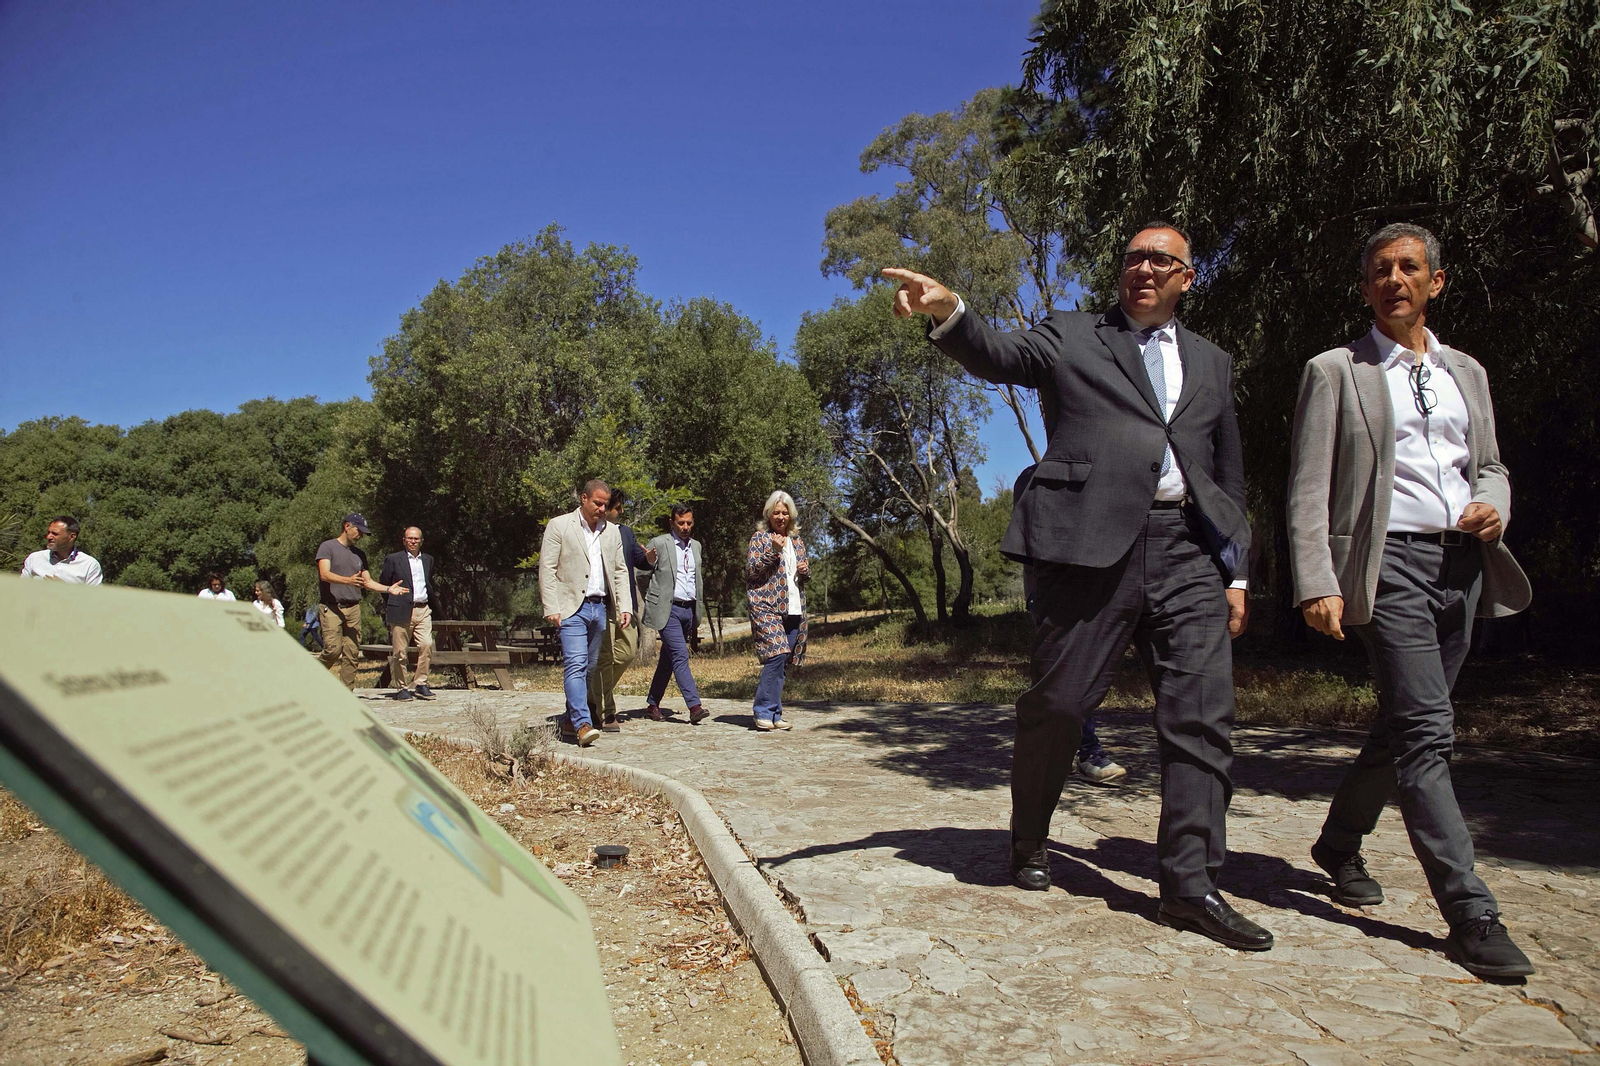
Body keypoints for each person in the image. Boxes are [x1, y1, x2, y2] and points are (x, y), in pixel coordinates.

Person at [885, 221, 1268, 952]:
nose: (1144, 268)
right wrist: (949, 310)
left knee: (1201, 717)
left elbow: (1227, 471)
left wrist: (1236, 570)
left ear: (1189, 276)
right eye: (1133, 258)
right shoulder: (1072, 334)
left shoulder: (1213, 363)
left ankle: (1190, 887)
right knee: (1059, 704)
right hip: (1089, 549)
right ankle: (1030, 837)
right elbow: (999, 354)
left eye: (1162, 259)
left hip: (1190, 549)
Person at [1288, 223, 1534, 978]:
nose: (1395, 279)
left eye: (1410, 268)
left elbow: (1487, 464)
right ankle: (1470, 912)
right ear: (1366, 288)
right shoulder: (1337, 370)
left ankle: (1337, 842)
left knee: (1408, 725)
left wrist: (1495, 504)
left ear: (1437, 282)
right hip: (1386, 562)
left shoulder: (1469, 371)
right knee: (1429, 730)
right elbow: (1307, 486)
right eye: (1380, 271)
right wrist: (1316, 578)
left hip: (1462, 564)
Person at [1012, 465, 1129, 786]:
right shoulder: (1031, 479)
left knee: (1078, 679)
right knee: (1061, 679)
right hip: (1050, 596)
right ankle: (1085, 752)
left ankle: (1061, 750)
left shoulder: (1107, 474)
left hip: (1098, 592)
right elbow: (1027, 552)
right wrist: (1034, 600)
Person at [539, 480, 632, 747]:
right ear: (584, 499)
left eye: (605, 504)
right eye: (597, 503)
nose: (602, 509)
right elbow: (547, 568)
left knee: (590, 668)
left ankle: (569, 720)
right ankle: (582, 724)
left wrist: (624, 605)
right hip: (571, 608)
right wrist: (551, 607)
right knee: (576, 664)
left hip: (600, 608)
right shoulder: (559, 525)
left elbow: (619, 571)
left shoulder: (612, 532)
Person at [588, 489, 656, 730]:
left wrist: (649, 558)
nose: (621, 511)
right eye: (618, 507)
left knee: (627, 651)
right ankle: (606, 711)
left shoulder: (625, 533)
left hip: (624, 605)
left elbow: (638, 559)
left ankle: (591, 693)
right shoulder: (592, 531)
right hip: (601, 604)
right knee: (604, 657)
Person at [316, 513, 407, 691]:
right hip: (332, 608)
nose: (361, 535)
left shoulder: (359, 555)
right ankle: (308, 675)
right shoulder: (327, 547)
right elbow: (324, 574)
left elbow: (367, 582)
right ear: (347, 526)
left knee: (351, 654)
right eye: (359, 530)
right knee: (333, 650)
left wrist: (389, 589)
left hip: (353, 608)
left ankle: (345, 693)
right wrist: (347, 581)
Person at [746, 491, 809, 732]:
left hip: (794, 607)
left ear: (790, 515)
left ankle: (774, 712)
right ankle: (762, 710)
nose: (780, 517)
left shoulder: (797, 541)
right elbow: (752, 571)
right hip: (766, 606)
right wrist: (772, 550)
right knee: (776, 654)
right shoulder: (760, 538)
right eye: (776, 512)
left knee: (783, 661)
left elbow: (806, 575)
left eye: (785, 513)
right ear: (769, 514)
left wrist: (805, 569)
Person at [640, 504, 708, 724]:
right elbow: (641, 572)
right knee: (680, 655)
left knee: (668, 659)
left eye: (689, 522)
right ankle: (694, 706)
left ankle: (652, 704)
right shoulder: (659, 543)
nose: (686, 527)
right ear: (672, 523)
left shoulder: (696, 546)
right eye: (681, 523)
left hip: (689, 609)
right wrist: (653, 597)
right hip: (667, 610)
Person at [379, 527, 437, 702]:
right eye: (409, 538)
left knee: (427, 645)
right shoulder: (393, 559)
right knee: (400, 652)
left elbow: (429, 581)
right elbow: (384, 583)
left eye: (416, 539)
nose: (413, 541)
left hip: (423, 609)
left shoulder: (428, 560)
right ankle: (402, 687)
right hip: (401, 609)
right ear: (404, 540)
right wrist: (393, 601)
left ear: (421, 541)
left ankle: (421, 682)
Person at [19, 516, 103, 584]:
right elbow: (21, 589)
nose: (48, 537)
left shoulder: (89, 565)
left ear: (71, 537)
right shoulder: (34, 559)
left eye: (54, 534)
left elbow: (95, 600)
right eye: (48, 533)